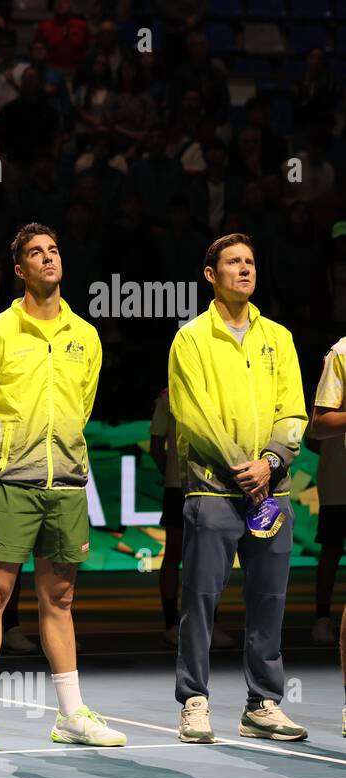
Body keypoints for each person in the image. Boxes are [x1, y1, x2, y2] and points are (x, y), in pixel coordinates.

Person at [0, 223, 128, 753]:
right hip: (11, 484)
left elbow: (83, 404)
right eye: (36, 252)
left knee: (61, 597)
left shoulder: (86, 335)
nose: (48, 258)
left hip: (68, 484)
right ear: (19, 269)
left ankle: (71, 715)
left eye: (54, 249)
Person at [169, 233, 308, 744]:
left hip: (273, 491)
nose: (245, 269)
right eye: (233, 262)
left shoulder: (280, 338)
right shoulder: (191, 339)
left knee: (268, 599)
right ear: (211, 275)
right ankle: (195, 701)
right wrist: (241, 468)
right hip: (212, 491)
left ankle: (263, 704)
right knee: (201, 599)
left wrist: (270, 462)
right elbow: (193, 415)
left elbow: (294, 411)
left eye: (250, 261)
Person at [150, 386, 235, 650]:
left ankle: (210, 623)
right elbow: (156, 446)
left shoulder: (219, 389)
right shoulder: (168, 396)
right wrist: (174, 473)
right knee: (174, 553)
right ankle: (172, 625)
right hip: (179, 487)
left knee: (209, 557)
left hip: (213, 485)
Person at [308, 336, 346, 736]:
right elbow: (315, 429)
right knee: (332, 552)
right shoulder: (341, 354)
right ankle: (321, 617)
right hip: (339, 485)